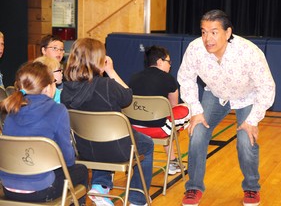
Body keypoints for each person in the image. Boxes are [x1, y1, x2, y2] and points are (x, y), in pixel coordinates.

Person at [177, 9, 276, 206]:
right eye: (204, 32)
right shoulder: (195, 49)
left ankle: (251, 188)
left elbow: (267, 87)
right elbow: (186, 78)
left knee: (245, 140)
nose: (207, 38)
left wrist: (253, 119)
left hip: (247, 96)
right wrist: (195, 111)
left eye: (214, 32)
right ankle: (194, 188)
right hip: (215, 93)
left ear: (228, 32)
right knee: (197, 132)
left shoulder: (248, 52)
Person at [61, 37, 154, 206]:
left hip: (83, 149)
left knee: (100, 139)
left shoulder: (66, 89)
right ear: (99, 60)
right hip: (116, 150)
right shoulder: (107, 85)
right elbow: (127, 97)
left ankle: (100, 185)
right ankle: (138, 200)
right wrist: (111, 71)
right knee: (147, 144)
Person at [0, 62, 88, 205]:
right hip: (41, 189)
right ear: (48, 88)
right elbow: (68, 160)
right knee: (81, 171)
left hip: (8, 187)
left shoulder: (11, 112)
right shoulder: (58, 110)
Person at [128, 45, 190, 175]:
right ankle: (172, 163)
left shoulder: (133, 77)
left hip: (133, 129)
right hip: (158, 129)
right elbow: (173, 107)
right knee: (187, 109)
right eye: (169, 62)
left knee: (166, 121)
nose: (170, 65)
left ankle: (171, 160)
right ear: (160, 62)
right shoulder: (168, 78)